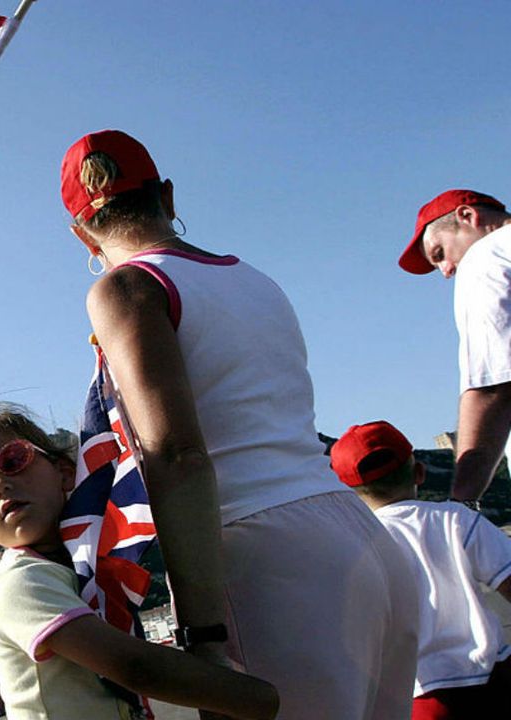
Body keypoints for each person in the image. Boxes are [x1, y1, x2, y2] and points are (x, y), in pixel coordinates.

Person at [61, 129, 418, 719]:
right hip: (359, 535)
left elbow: (175, 452)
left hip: (265, 555)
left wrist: (203, 632)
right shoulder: (254, 280)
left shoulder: (126, 286)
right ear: (168, 198)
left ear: (82, 235)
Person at [0, 408, 280, 720]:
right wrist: (257, 698)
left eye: (14, 460)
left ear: (64, 474)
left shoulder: (81, 574)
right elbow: (133, 666)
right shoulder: (20, 583)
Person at [330, 420, 511, 719]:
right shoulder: (456, 520)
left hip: (419, 698)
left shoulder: (351, 548)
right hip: (494, 683)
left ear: (349, 496)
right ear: (419, 472)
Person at [398, 190, 511, 506]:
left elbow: (492, 386)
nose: (446, 271)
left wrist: (462, 501)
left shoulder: (486, 256)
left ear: (467, 216)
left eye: (439, 253)